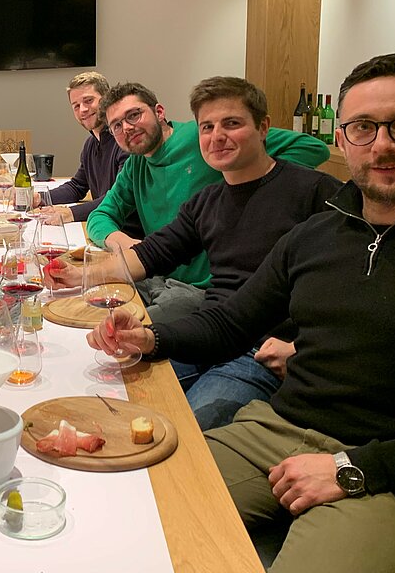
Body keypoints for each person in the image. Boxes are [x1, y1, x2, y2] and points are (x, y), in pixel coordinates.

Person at [87, 53, 395, 573]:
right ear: (344, 135)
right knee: (112, 515)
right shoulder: (316, 235)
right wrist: (152, 340)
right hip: (278, 430)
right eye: (363, 128)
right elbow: (231, 321)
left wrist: (354, 469)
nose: (382, 144)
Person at [50, 76, 341, 429]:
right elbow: (151, 255)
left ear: (263, 127)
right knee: (108, 393)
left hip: (258, 352)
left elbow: (353, 291)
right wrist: (78, 276)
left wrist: (302, 350)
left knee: (185, 432)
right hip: (212, 333)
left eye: (231, 124)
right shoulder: (208, 202)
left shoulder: (313, 192)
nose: (217, 136)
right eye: (207, 127)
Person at [86, 81, 330, 322]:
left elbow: (312, 148)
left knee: (122, 337)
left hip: (203, 290)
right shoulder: (135, 164)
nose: (127, 128)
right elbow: (100, 215)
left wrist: (246, 188)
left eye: (134, 115)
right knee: (88, 308)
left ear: (159, 112)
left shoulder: (204, 138)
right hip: (156, 274)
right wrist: (125, 243)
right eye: (116, 125)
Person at [36, 72, 133, 229]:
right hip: (105, 224)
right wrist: (38, 198)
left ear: (107, 99)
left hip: (126, 232)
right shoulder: (90, 144)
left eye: (89, 101)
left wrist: (70, 213)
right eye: (76, 106)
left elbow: (119, 198)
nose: (83, 110)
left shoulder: (124, 141)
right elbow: (77, 187)